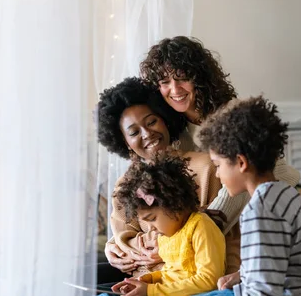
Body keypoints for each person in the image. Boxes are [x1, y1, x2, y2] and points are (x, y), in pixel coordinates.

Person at [143, 96, 301, 296]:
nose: (216, 172)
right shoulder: (287, 194)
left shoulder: (259, 210)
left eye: (218, 165)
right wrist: (243, 274)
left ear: (240, 162)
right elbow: (286, 261)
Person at [140, 36, 301, 234]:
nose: (174, 89)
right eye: (165, 82)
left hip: (270, 201)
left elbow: (240, 184)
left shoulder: (231, 114)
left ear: (199, 77)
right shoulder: (171, 129)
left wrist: (197, 233)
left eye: (182, 78)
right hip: (223, 217)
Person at [96, 77, 241, 280]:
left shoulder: (206, 168)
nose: (147, 134)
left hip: (199, 280)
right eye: (134, 132)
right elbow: (123, 241)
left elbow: (223, 234)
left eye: (152, 121)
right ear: (125, 142)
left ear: (164, 119)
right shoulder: (124, 186)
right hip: (144, 282)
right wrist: (118, 246)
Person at [75, 155, 226, 296]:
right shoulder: (169, 235)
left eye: (152, 218)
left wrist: (151, 292)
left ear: (174, 204)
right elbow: (172, 272)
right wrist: (149, 280)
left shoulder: (201, 227)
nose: (150, 227)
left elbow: (209, 281)